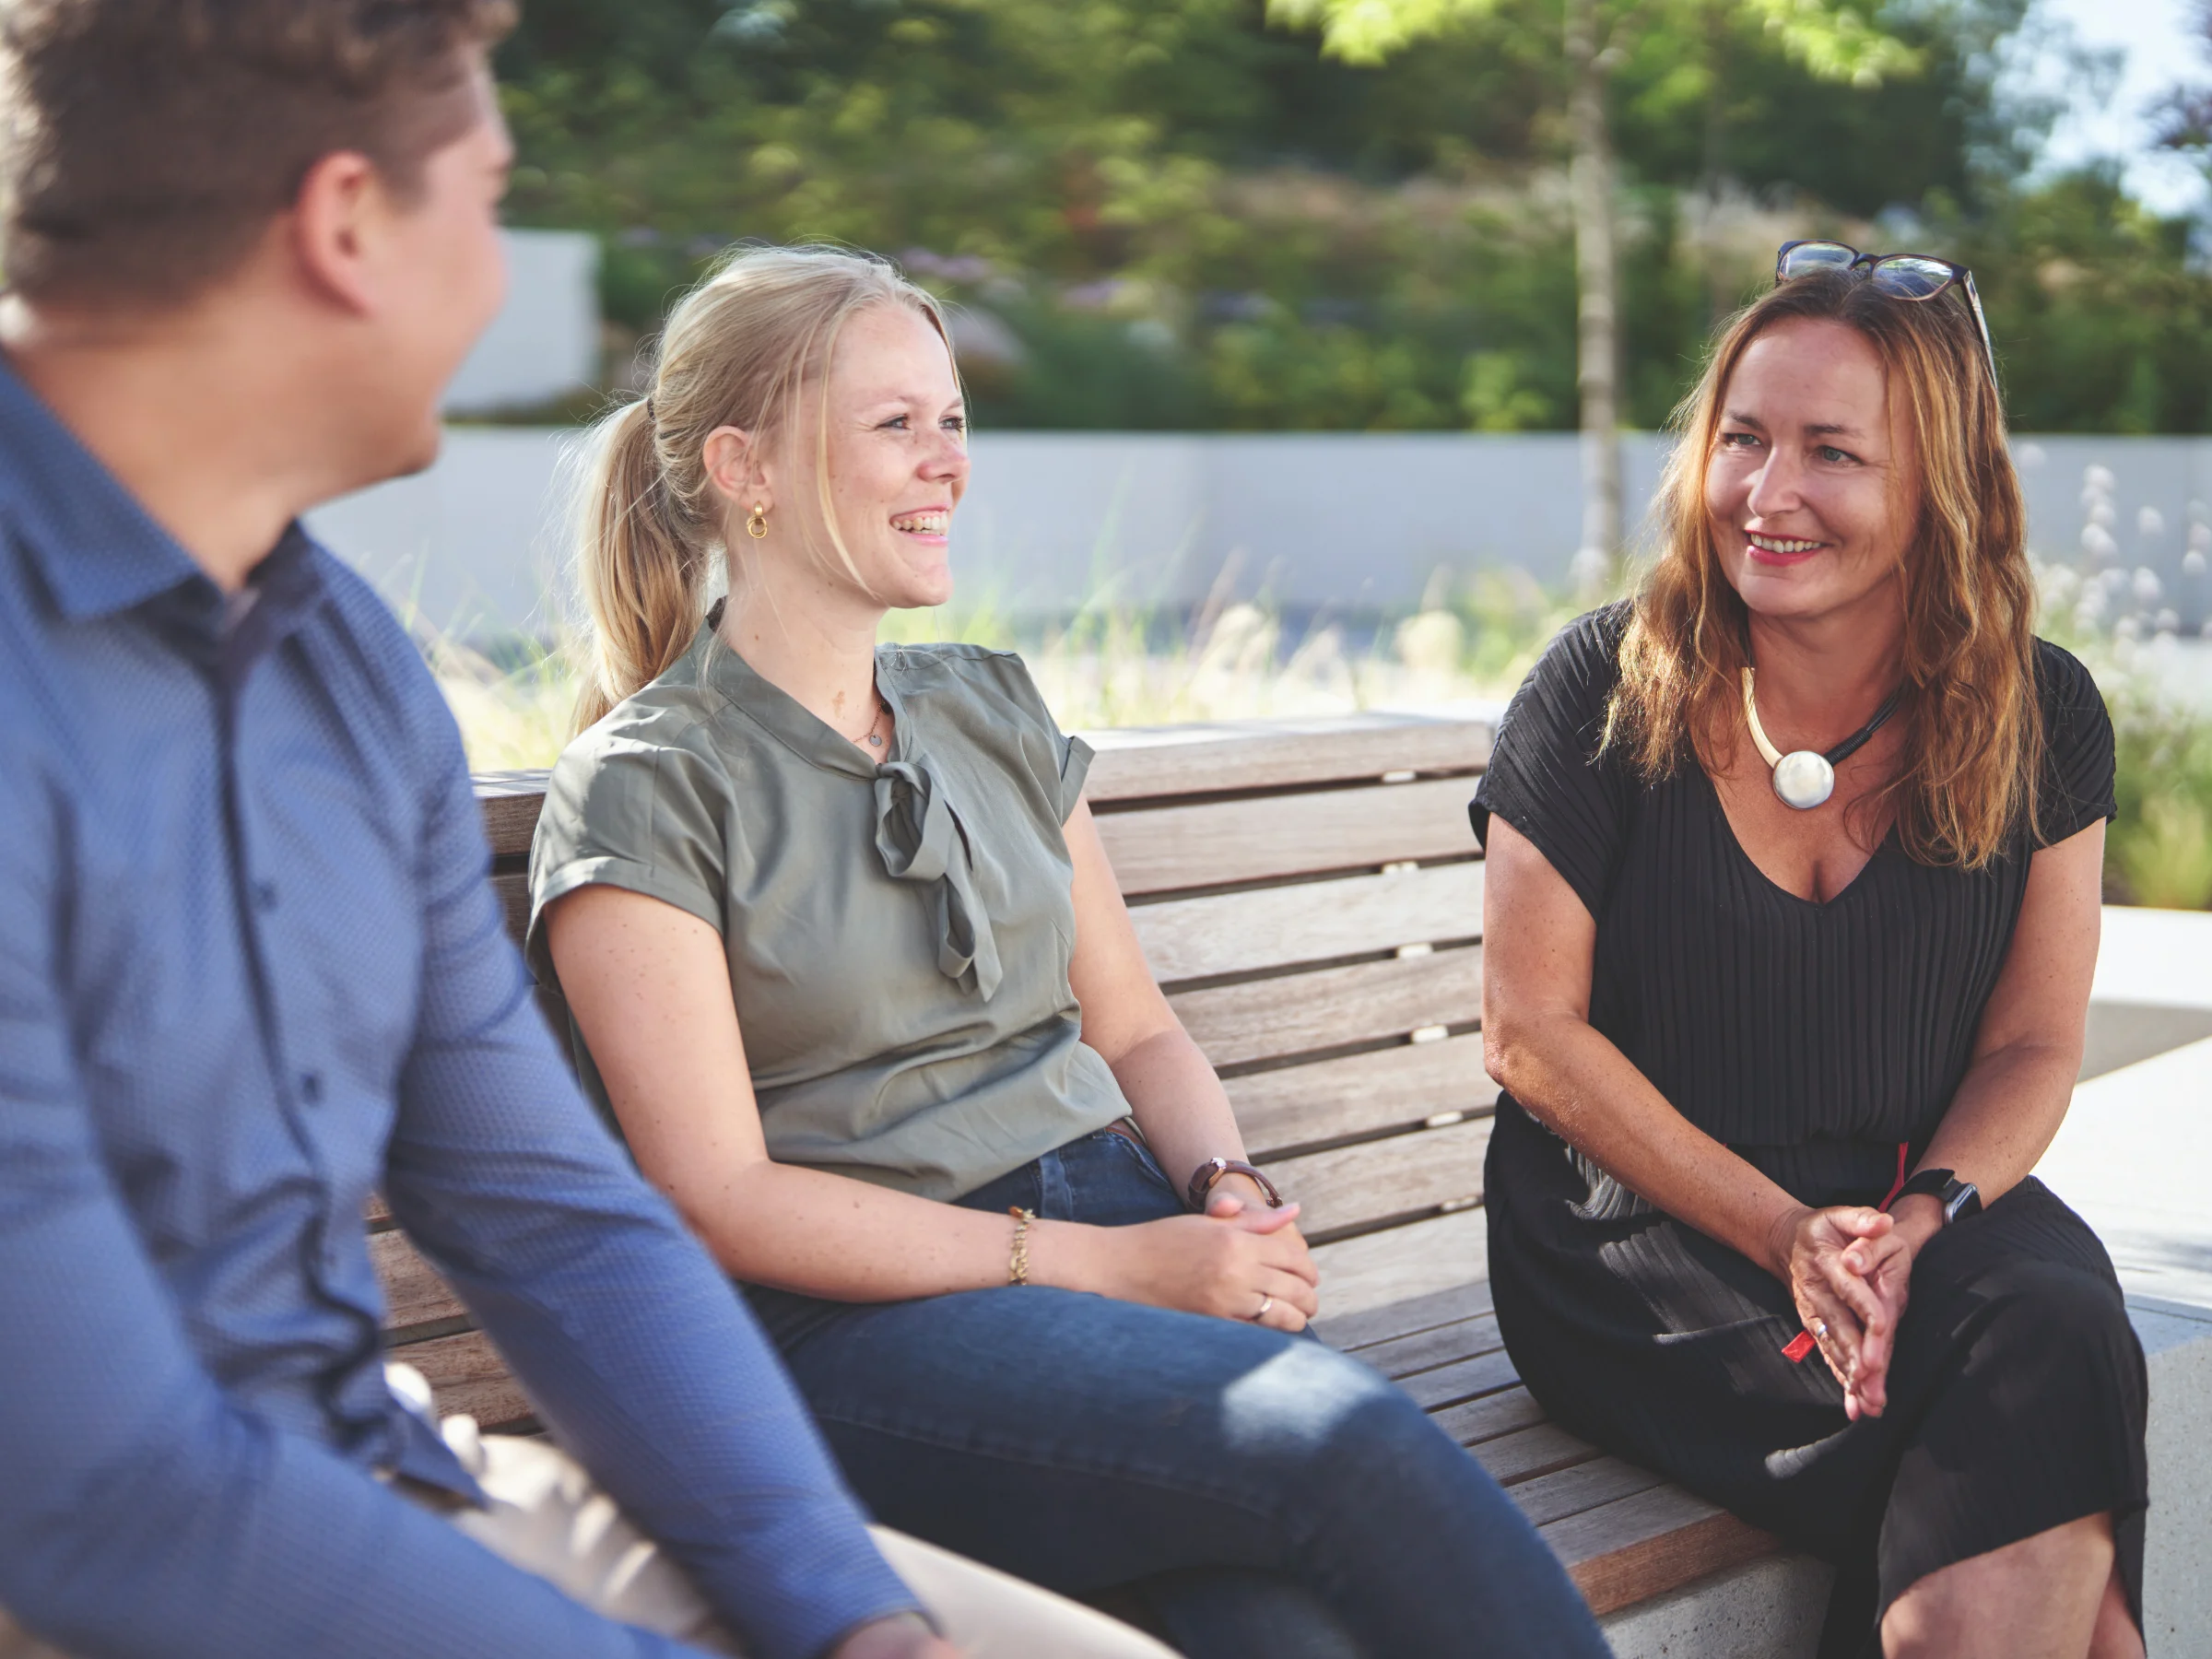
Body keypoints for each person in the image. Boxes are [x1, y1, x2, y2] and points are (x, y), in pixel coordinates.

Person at [0, 6, 1170, 1657]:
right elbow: (95, 1500)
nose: (497, 279)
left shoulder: (340, 668)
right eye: (483, 202)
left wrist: (849, 1617)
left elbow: (551, 1213)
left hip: (375, 1470)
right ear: (345, 225)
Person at [527, 241, 1611, 1659]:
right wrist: (1116, 1273)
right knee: (1341, 1437)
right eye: (894, 425)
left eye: (953, 420)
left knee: (1278, 1628)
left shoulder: (989, 707)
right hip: (867, 1329)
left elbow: (1137, 1030)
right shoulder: (646, 784)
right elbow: (719, 1197)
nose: (947, 463)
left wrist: (1223, 1190)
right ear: (747, 470)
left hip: (1118, 1242)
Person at [1472, 242, 2147, 1659]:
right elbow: (1532, 1036)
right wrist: (1786, 1236)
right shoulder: (1600, 688)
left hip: (1916, 1211)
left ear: (1940, 489)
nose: (1768, 497)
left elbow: (2032, 1045)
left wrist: (1925, 1219)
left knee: (2061, 1330)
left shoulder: (2041, 714)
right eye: (1743, 440)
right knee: (2047, 1425)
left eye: (1831, 454)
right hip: (1642, 1242)